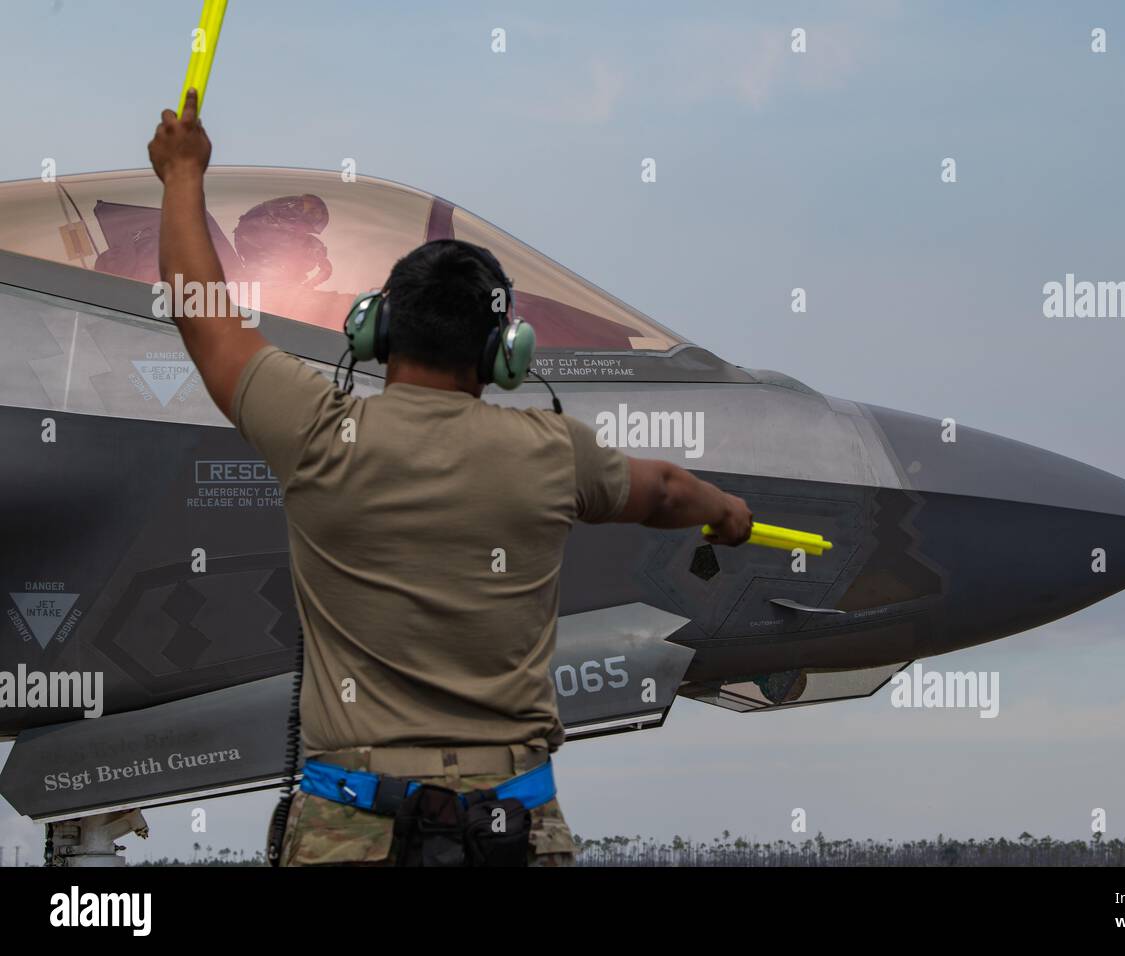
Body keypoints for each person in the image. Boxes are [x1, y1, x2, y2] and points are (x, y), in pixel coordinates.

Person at [148, 90, 753, 866]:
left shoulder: (317, 431)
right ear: (506, 353)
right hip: (511, 828)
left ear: (378, 328)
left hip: (353, 828)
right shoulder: (551, 450)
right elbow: (667, 491)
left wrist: (183, 175)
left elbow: (202, 316)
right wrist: (725, 513)